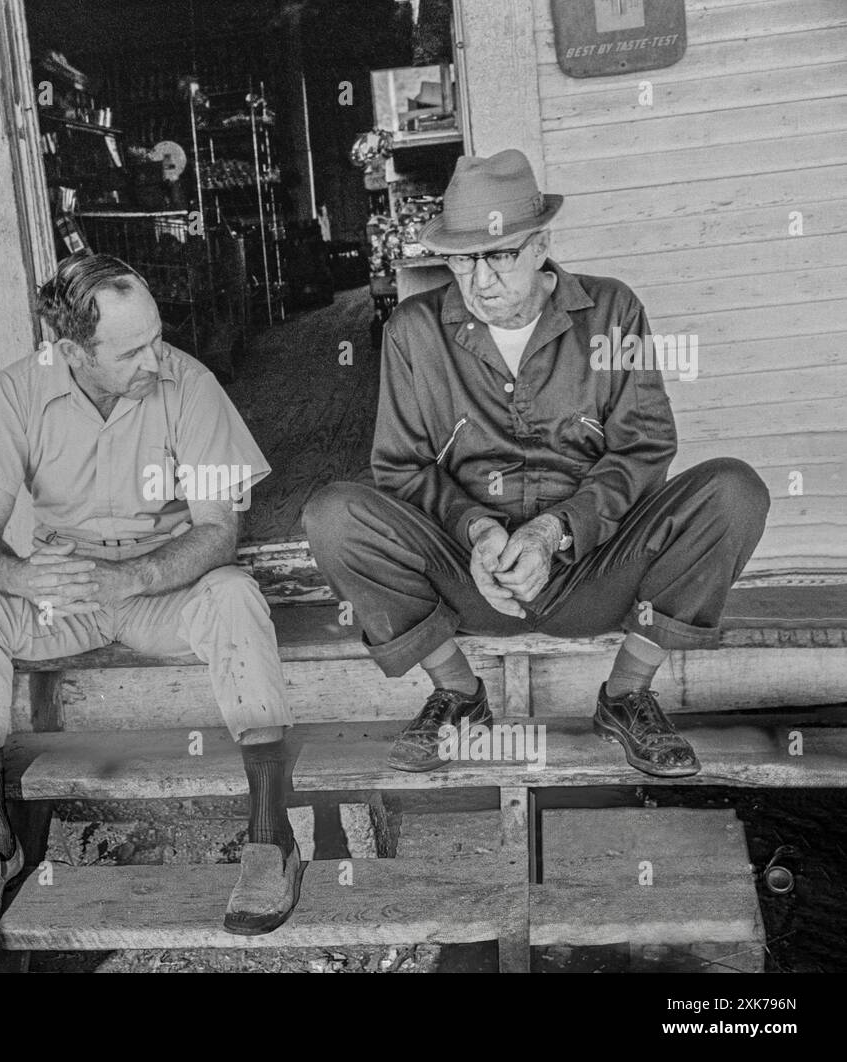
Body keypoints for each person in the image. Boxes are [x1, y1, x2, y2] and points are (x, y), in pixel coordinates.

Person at [305, 149, 769, 779]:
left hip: (597, 572)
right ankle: (460, 697)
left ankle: (627, 695)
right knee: (333, 515)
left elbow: (644, 446)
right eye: (463, 259)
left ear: (539, 243)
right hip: (470, 579)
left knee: (734, 491)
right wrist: (479, 531)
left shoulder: (610, 312)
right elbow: (402, 467)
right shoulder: (414, 332)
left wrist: (554, 532)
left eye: (498, 255)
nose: (480, 280)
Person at [0, 252, 300, 935]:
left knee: (236, 594)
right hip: (66, 597)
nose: (155, 357)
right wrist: (22, 577)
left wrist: (131, 577)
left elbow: (219, 531)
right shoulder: (17, 392)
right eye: (133, 350)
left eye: (157, 335)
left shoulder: (190, 385)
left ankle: (270, 835)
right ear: (71, 350)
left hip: (160, 590)